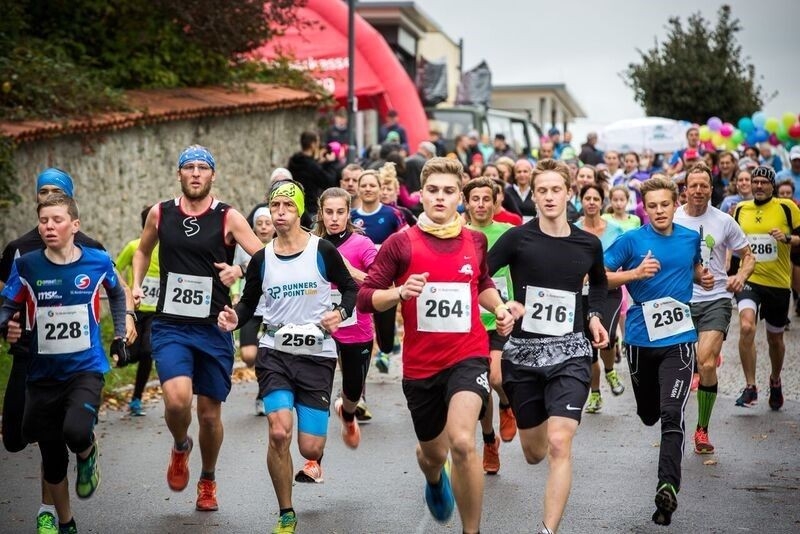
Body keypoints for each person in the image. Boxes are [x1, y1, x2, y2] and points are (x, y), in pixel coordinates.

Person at [357, 157, 513, 534]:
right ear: (421, 195)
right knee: (433, 454)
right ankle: (432, 476)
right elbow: (365, 297)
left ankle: (471, 530)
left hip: (468, 355)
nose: (440, 197)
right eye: (433, 190)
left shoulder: (474, 240)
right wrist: (398, 292)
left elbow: (482, 282)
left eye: (448, 191)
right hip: (421, 366)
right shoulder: (400, 243)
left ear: (459, 197)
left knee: (462, 442)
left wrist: (499, 307)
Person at [0, 168, 136, 534]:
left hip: (84, 368)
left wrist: (121, 331)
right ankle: (65, 522)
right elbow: (7, 303)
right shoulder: (24, 262)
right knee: (46, 453)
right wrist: (6, 325)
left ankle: (88, 452)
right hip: (39, 371)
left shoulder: (96, 258)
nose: (49, 224)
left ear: (74, 223)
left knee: (75, 431)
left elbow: (118, 291)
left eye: (56, 218)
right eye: (43, 219)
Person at [217, 180, 357, 534]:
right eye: (274, 206)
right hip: (275, 352)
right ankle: (286, 511)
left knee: (309, 448)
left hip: (317, 355)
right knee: (279, 432)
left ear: (299, 211)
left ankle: (321, 444)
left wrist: (340, 313)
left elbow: (351, 289)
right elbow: (249, 303)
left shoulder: (322, 250)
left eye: (287, 206)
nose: (280, 213)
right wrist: (235, 318)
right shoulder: (262, 258)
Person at [132, 145, 264, 512]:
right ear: (178, 174)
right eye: (188, 167)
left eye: (202, 168)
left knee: (208, 414)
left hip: (213, 327)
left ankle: (208, 479)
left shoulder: (228, 217)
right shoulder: (161, 213)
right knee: (176, 400)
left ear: (212, 175)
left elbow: (264, 259)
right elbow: (142, 250)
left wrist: (238, 270)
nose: (195, 173)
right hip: (171, 325)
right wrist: (136, 284)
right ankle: (180, 445)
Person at [488, 159, 610, 534]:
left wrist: (594, 316)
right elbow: (479, 276)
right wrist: (501, 306)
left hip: (571, 352)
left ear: (569, 193)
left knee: (559, 443)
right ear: (534, 196)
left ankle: (548, 530)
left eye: (556, 189)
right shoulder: (517, 238)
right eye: (542, 190)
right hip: (523, 356)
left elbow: (600, 284)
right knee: (534, 452)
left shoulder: (588, 243)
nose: (549, 196)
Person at [604, 176, 714, 526]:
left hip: (679, 340)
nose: (659, 210)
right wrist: (635, 274)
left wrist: (701, 277)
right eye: (652, 206)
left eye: (665, 204)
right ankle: (648, 412)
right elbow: (599, 276)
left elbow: (691, 268)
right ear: (644, 208)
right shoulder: (631, 241)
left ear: (675, 203)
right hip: (640, 340)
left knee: (671, 413)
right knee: (649, 413)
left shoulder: (689, 238)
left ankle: (667, 486)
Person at [674, 163, 754, 454]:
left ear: (711, 189)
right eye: (693, 185)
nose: (698, 190)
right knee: (677, 367)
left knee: (706, 362)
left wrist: (740, 276)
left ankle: (702, 429)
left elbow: (748, 255)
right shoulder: (672, 218)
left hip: (716, 298)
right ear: (685, 189)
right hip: (679, 299)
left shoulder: (724, 221)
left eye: (703, 186)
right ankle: (673, 423)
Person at [311, 187, 378, 448]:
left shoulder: (362, 245)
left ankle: (348, 414)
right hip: (319, 328)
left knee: (352, 390)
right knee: (317, 392)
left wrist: (349, 270)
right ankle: (313, 455)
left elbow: (379, 283)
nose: (334, 218)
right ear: (321, 213)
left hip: (356, 328)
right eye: (329, 212)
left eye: (340, 212)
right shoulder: (310, 244)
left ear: (349, 213)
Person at [731, 166, 800, 411]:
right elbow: (732, 243)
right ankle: (750, 387)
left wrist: (787, 238)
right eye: (755, 181)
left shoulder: (787, 207)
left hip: (777, 283)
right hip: (749, 279)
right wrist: (732, 273)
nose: (759, 186)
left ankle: (775, 380)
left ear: (772, 185)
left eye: (764, 182)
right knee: (746, 326)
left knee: (775, 339)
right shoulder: (741, 209)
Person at [463, 177, 517, 475]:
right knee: (480, 387)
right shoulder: (458, 233)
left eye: (487, 198)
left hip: (499, 317)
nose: (481, 204)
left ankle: (507, 405)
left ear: (495, 201)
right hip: (468, 320)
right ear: (466, 202)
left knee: (496, 377)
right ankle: (488, 441)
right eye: (475, 199)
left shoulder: (508, 232)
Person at [574, 184, 626, 414]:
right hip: (582, 293)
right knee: (590, 347)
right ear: (581, 201)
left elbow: (623, 261)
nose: (592, 202)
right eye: (587, 198)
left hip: (608, 291)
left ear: (602, 202)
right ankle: (595, 393)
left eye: (596, 198)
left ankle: (610, 370)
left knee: (607, 335)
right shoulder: (573, 229)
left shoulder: (615, 231)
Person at [351, 167, 408, 376]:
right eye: (364, 185)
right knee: (357, 327)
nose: (368, 189)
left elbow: (406, 242)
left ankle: (386, 347)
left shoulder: (393, 214)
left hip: (385, 282)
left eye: (372, 185)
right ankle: (357, 367)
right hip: (357, 281)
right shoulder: (350, 216)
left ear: (379, 188)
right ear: (358, 189)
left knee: (385, 339)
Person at [115, 205, 161, 416]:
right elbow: (115, 268)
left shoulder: (168, 249)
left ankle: (136, 399)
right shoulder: (134, 247)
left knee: (148, 352)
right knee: (132, 354)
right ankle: (122, 357)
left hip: (157, 311)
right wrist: (126, 289)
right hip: (135, 309)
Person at [230, 207, 275, 415]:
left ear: (274, 226)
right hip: (251, 305)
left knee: (270, 354)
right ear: (254, 227)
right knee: (249, 356)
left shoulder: (281, 245)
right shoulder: (243, 246)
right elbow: (235, 271)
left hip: (274, 307)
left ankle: (263, 393)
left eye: (268, 223)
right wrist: (235, 295)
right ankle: (265, 366)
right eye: (260, 223)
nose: (264, 227)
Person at [287, 132, 339, 217]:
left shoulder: (294, 161)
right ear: (313, 144)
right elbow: (328, 182)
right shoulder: (311, 166)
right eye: (318, 142)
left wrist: (319, 162)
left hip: (295, 205)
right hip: (310, 209)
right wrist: (330, 163)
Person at [504, 158, 536, 222]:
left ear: (531, 174)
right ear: (514, 174)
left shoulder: (536, 191)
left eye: (525, 171)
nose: (522, 174)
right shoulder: (506, 192)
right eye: (519, 172)